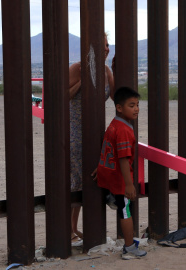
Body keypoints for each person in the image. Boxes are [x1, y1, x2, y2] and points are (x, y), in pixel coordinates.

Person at [68, 32, 116, 244]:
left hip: (96, 130)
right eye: (102, 45)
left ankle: (79, 228)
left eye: (107, 45)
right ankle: (69, 230)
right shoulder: (76, 68)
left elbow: (115, 97)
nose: (106, 49)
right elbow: (64, 95)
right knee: (76, 179)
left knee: (90, 177)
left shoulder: (106, 71)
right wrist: (84, 79)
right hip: (76, 131)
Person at [94, 86, 147, 260]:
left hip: (108, 173)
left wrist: (101, 166)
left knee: (122, 206)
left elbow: (108, 149)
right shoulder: (125, 130)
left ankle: (113, 198)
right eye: (131, 105)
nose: (136, 109)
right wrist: (129, 184)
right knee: (126, 211)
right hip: (120, 179)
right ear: (119, 107)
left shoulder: (114, 124)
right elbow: (124, 159)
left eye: (137, 104)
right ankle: (129, 248)